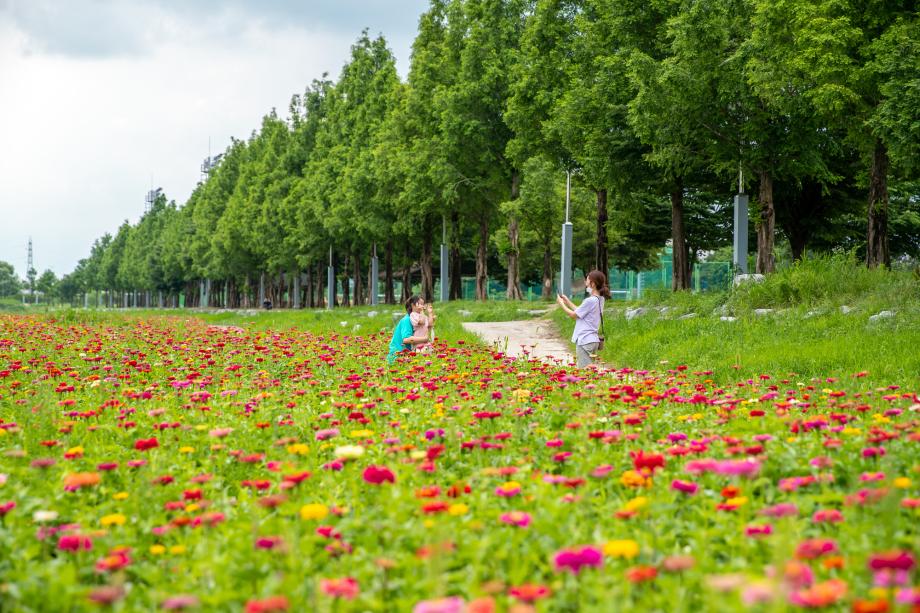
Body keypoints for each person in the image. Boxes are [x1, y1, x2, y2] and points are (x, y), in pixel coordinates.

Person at [556, 269, 611, 368]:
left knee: (585, 372)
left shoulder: (589, 301)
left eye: (587, 280)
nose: (585, 283)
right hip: (593, 340)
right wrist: (567, 301)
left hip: (585, 340)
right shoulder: (600, 299)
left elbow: (574, 315)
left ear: (593, 284)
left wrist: (561, 305)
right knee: (590, 369)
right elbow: (580, 311)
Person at [387, 296, 432, 363]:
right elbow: (406, 339)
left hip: (407, 355)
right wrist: (424, 339)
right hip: (398, 356)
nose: (423, 306)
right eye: (420, 304)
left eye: (423, 304)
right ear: (413, 305)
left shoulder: (416, 318)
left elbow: (429, 325)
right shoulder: (407, 320)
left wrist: (430, 313)